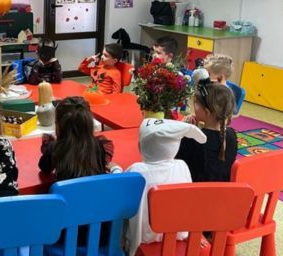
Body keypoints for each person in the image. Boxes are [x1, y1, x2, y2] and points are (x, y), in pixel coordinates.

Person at [126, 118, 206, 255]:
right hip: (178, 235)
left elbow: (122, 197)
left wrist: (115, 169)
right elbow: (189, 203)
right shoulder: (182, 166)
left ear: (140, 146)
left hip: (143, 239)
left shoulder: (137, 170)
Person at [38, 96, 119, 180]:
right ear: (89, 123)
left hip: (67, 189)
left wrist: (47, 145)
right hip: (98, 188)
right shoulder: (103, 146)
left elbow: (44, 168)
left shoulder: (55, 149)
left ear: (58, 125)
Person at [176, 80, 238, 182]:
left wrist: (183, 130)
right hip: (223, 190)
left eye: (196, 103)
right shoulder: (232, 135)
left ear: (206, 112)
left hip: (194, 190)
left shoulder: (193, 139)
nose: (193, 106)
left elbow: (176, 160)